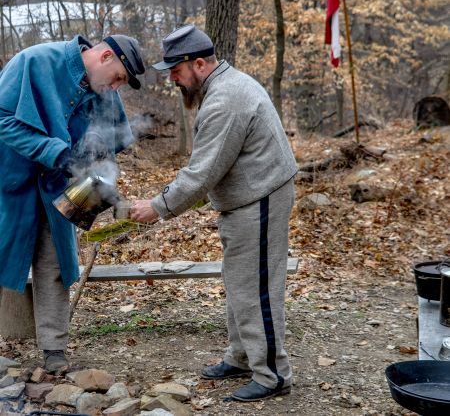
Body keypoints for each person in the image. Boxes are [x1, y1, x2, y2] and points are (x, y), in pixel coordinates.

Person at [130, 25, 297, 402]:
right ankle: (241, 357)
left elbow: (202, 172)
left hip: (261, 198)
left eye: (175, 70)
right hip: (248, 199)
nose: (172, 78)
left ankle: (273, 374)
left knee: (257, 289)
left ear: (200, 64)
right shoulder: (222, 88)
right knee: (240, 283)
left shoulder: (226, 100)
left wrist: (157, 207)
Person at [0, 34, 145, 372]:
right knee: (4, 254)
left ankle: (54, 351)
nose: (117, 87)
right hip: (10, 183)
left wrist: (98, 157)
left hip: (57, 189)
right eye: (119, 77)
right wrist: (57, 152)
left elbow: (114, 142)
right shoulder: (34, 61)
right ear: (106, 56)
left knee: (54, 265)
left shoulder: (105, 92)